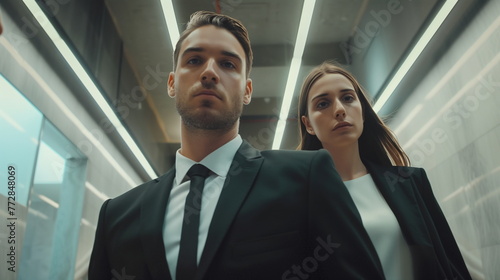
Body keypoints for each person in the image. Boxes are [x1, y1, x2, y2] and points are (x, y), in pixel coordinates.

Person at [89, 12, 384, 280]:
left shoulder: (306, 179)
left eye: (228, 64)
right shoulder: (117, 215)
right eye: (194, 61)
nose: (209, 73)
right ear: (171, 83)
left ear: (247, 90)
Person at [298, 61, 472, 280]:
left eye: (348, 98)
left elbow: (448, 261)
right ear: (308, 124)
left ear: (362, 111)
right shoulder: (301, 201)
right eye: (323, 104)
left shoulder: (409, 183)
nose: (340, 110)